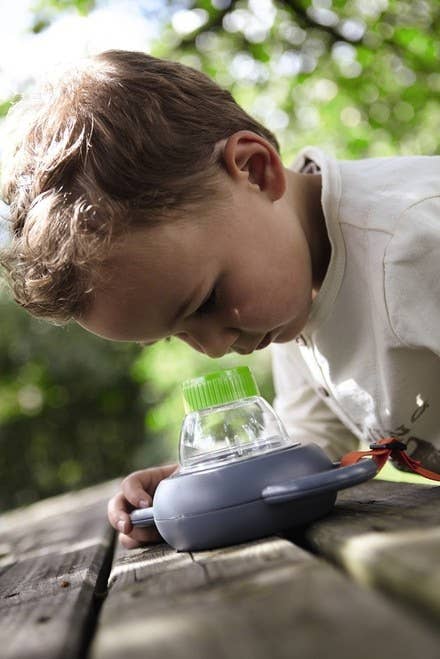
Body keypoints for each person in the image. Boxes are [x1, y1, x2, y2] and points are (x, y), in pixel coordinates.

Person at [1, 50, 439, 550]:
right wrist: (211, 481)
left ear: (255, 171)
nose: (211, 347)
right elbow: (317, 434)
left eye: (207, 300)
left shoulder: (413, 243)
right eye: (176, 333)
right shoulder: (291, 274)